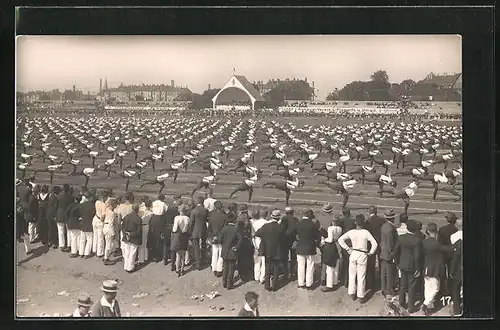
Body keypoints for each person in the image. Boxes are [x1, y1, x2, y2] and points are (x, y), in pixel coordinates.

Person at [338, 214, 378, 303]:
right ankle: (360, 295)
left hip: (353, 253)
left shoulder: (351, 232)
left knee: (352, 274)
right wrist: (371, 253)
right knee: (361, 276)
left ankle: (352, 293)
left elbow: (340, 239)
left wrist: (348, 249)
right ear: (363, 223)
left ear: (355, 222)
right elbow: (375, 243)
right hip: (362, 254)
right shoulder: (366, 232)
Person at [394, 219, 423, 313]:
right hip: (412, 266)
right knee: (412, 287)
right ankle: (410, 306)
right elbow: (417, 256)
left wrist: (398, 263)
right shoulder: (417, 240)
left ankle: (401, 302)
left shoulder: (400, 237)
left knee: (403, 285)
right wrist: (418, 268)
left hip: (402, 264)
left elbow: (396, 251)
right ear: (415, 229)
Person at [422, 222, 450, 315]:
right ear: (436, 231)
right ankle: (426, 304)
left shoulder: (424, 242)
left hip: (426, 267)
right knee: (435, 288)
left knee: (427, 287)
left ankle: (429, 306)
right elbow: (448, 250)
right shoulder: (437, 244)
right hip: (435, 269)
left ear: (427, 231)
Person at [255, 209, 285, 292]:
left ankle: (267, 285)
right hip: (277, 250)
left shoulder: (266, 226)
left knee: (267, 267)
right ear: (278, 218)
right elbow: (283, 239)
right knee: (276, 268)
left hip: (267, 249)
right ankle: (274, 285)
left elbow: (257, 233)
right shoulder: (280, 227)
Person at [295, 209, 320, 290]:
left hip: (300, 246)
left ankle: (301, 282)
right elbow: (317, 236)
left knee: (300, 266)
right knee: (310, 265)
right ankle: (309, 283)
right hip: (310, 247)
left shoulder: (298, 223)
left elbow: (295, 234)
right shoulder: (313, 224)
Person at [365, 205, 385, 292]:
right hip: (380, 243)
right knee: (381, 263)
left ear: (369, 212)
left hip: (371, 245)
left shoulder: (367, 221)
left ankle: (372, 283)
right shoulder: (381, 220)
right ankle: (382, 281)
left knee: (371, 264)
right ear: (376, 212)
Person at [320, 215, 342, 292]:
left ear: (333, 221)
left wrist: (324, 239)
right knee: (336, 265)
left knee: (329, 267)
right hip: (337, 245)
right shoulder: (340, 228)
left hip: (331, 246)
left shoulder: (330, 228)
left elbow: (330, 239)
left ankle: (329, 285)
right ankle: (335, 282)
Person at [379, 209, 398, 297]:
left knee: (384, 273)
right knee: (390, 273)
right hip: (388, 254)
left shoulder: (383, 226)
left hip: (383, 252)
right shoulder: (391, 229)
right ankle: (389, 290)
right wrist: (393, 253)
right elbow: (391, 243)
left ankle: (383, 288)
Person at [220, 213, 241, 289]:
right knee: (231, 268)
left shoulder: (224, 228)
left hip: (225, 250)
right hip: (232, 251)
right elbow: (240, 239)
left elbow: (220, 239)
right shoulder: (236, 229)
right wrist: (236, 247)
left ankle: (224, 282)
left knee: (225, 267)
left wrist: (224, 245)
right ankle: (229, 284)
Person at [208, 200, 228, 277]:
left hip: (214, 235)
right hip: (222, 236)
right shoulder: (224, 216)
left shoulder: (211, 215)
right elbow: (225, 227)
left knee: (214, 253)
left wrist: (210, 236)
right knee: (221, 253)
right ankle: (219, 269)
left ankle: (214, 267)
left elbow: (209, 227)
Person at [189, 196, 209, 271]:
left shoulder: (194, 211)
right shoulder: (205, 210)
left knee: (196, 247)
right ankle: (203, 259)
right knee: (204, 245)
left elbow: (191, 222)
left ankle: (198, 263)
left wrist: (190, 231)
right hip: (203, 229)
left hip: (195, 230)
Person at [121, 204, 142, 273]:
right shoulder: (138, 218)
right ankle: (130, 267)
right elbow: (139, 231)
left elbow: (122, 227)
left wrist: (125, 234)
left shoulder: (126, 217)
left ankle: (126, 266)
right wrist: (131, 234)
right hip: (134, 238)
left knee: (127, 252)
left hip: (126, 236)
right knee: (132, 253)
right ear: (137, 209)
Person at [171, 205, 191, 276]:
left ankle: (177, 269)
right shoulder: (187, 218)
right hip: (185, 236)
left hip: (178, 236)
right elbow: (189, 228)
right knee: (183, 254)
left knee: (178, 255)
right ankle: (182, 269)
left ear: (179, 210)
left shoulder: (177, 218)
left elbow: (175, 229)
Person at [236, 204, 254, 282]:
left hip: (241, 240)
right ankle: (247, 274)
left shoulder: (239, 220)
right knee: (247, 258)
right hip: (246, 239)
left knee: (241, 258)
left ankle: (242, 274)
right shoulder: (247, 220)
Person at [251, 209, 269, 283]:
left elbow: (252, 234)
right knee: (264, 261)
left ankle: (256, 277)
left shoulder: (255, 223)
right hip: (264, 242)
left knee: (257, 261)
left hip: (256, 241)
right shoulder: (267, 223)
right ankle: (262, 277)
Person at [280, 206, 298, 280]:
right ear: (292, 212)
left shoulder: (284, 219)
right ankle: (292, 272)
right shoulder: (296, 219)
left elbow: (282, 229)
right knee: (293, 257)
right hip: (293, 240)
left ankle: (286, 273)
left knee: (285, 256)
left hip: (285, 240)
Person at [149, 194, 168, 263]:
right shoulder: (163, 204)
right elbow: (166, 211)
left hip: (154, 218)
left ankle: (154, 255)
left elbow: (151, 209)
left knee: (153, 236)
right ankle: (158, 255)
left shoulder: (153, 203)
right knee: (159, 238)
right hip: (160, 220)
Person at [164, 195, 181, 267]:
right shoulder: (176, 211)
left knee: (165, 244)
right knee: (173, 246)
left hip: (167, 228)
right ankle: (172, 262)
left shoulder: (167, 210)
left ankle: (165, 259)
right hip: (173, 228)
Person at [56, 184, 73, 252]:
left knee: (60, 231)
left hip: (60, 214)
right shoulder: (71, 197)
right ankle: (69, 245)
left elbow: (56, 206)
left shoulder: (59, 196)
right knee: (68, 231)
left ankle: (62, 245)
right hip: (68, 215)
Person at [78, 191, 95, 258]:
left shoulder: (82, 205)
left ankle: (81, 252)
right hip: (89, 223)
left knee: (82, 239)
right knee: (89, 239)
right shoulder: (92, 206)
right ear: (90, 197)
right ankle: (86, 253)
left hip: (83, 222)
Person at [102, 198, 119, 266]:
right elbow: (112, 224)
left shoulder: (106, 210)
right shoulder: (112, 213)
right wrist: (113, 233)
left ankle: (105, 256)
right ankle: (106, 259)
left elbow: (102, 218)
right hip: (109, 228)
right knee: (108, 245)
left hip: (105, 227)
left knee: (107, 243)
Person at [92, 189, 108, 258]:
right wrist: (102, 221)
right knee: (100, 237)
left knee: (95, 236)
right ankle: (100, 252)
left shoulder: (97, 202)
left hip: (95, 218)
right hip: (100, 220)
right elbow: (103, 215)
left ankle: (94, 249)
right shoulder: (104, 205)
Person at [449, 236, 462, 316]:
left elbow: (455, 260)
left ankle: (456, 311)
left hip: (459, 272)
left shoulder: (459, 244)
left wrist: (451, 272)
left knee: (455, 290)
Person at [138, 198, 153, 265]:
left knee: (141, 243)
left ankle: (141, 259)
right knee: (145, 242)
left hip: (142, 226)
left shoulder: (141, 211)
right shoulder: (151, 213)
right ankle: (145, 257)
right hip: (147, 226)